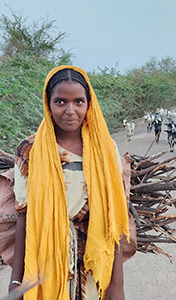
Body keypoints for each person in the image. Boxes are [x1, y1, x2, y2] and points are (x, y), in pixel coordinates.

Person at [9, 65, 131, 300]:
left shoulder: (104, 148)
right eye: (60, 102)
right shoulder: (30, 150)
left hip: (95, 261)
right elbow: (24, 216)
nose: (70, 111)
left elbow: (113, 217)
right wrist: (16, 280)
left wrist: (117, 284)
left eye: (78, 101)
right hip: (47, 260)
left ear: (89, 103)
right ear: (48, 103)